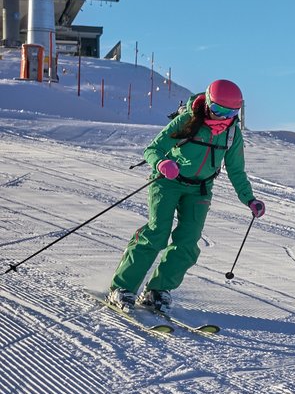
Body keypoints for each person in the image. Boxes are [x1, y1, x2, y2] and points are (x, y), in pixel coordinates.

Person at [106, 79, 265, 312]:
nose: (224, 117)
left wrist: (249, 199)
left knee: (188, 241)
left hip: (200, 188)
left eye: (232, 112)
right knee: (157, 233)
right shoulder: (188, 120)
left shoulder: (232, 133)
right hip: (168, 183)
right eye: (219, 110)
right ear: (209, 103)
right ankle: (122, 287)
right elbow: (152, 149)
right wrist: (161, 163)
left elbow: (236, 170)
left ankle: (158, 289)